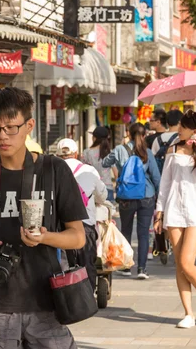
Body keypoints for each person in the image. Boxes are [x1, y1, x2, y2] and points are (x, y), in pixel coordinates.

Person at [0, 87, 88, 349]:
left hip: (47, 303)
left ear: (28, 125)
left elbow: (78, 236)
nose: (2, 136)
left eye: (10, 127)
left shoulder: (54, 170)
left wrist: (45, 237)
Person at [154, 110, 196, 328]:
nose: (178, 130)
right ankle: (189, 314)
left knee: (185, 262)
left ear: (194, 129)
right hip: (174, 210)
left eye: (182, 127)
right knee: (178, 265)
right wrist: (159, 212)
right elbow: (165, 183)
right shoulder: (172, 148)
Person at [103, 123, 161, 279]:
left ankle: (126, 267)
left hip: (126, 197)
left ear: (128, 134)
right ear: (144, 135)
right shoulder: (147, 152)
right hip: (146, 196)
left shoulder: (120, 150)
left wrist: (116, 157)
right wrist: (159, 197)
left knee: (126, 231)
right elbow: (156, 177)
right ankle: (142, 269)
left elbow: (104, 163)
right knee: (143, 234)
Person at [57, 138, 108, 290]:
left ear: (58, 154)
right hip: (85, 223)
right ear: (76, 153)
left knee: (64, 263)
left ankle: (67, 293)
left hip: (60, 225)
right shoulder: (89, 170)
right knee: (87, 261)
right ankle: (89, 294)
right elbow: (102, 196)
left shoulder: (52, 170)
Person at [82, 126, 117, 201]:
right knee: (109, 211)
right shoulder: (109, 153)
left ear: (95, 138)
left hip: (92, 188)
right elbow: (116, 173)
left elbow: (82, 171)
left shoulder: (87, 152)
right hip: (107, 188)